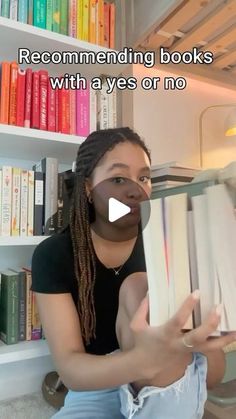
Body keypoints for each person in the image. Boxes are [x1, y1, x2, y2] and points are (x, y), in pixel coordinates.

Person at [31, 127, 236, 419]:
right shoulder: (54, 254)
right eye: (118, 178)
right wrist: (142, 362)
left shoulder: (171, 242)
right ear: (88, 187)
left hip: (173, 381)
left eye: (143, 178)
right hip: (98, 383)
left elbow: (213, 373)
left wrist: (192, 343)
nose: (135, 190)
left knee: (136, 287)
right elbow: (72, 371)